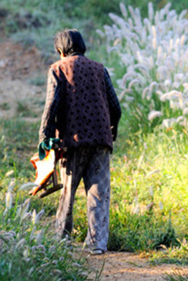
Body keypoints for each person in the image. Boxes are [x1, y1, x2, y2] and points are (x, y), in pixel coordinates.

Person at [38, 29, 121, 255]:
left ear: (60, 50)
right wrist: (110, 131)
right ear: (82, 46)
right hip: (101, 139)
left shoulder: (57, 69)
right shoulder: (100, 69)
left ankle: (62, 242)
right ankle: (97, 244)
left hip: (72, 141)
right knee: (99, 193)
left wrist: (44, 138)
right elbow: (115, 107)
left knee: (68, 191)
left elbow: (51, 106)